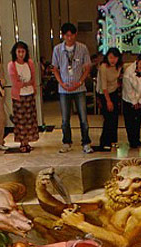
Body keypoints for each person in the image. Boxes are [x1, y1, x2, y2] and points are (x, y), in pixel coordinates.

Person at [51, 23, 93, 154]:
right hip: (64, 89)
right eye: (67, 35)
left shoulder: (82, 48)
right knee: (65, 119)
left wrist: (80, 82)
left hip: (79, 88)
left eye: (72, 35)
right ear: (63, 36)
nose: (69, 38)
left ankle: (86, 143)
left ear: (75, 35)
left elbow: (87, 68)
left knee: (83, 118)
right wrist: (61, 83)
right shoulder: (57, 49)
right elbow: (55, 69)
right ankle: (66, 142)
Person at [8, 41, 39, 153]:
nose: (21, 54)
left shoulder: (30, 63)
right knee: (20, 120)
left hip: (29, 94)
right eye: (19, 51)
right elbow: (15, 82)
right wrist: (26, 83)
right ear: (15, 52)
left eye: (23, 51)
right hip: (19, 96)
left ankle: (27, 141)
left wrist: (31, 86)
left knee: (30, 119)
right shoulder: (12, 65)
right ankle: (22, 142)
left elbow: (33, 78)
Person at [121, 54, 141, 149]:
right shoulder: (128, 71)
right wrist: (134, 101)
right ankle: (132, 140)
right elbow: (128, 88)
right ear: (137, 62)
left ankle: (137, 139)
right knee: (129, 120)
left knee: (138, 120)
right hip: (128, 98)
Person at [96, 47, 123, 150]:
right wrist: (108, 101)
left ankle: (113, 140)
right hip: (104, 93)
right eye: (110, 57)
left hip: (114, 91)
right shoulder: (103, 67)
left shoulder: (119, 66)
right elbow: (104, 86)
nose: (113, 60)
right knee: (108, 118)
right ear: (107, 57)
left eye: (115, 57)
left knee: (115, 117)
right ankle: (104, 142)